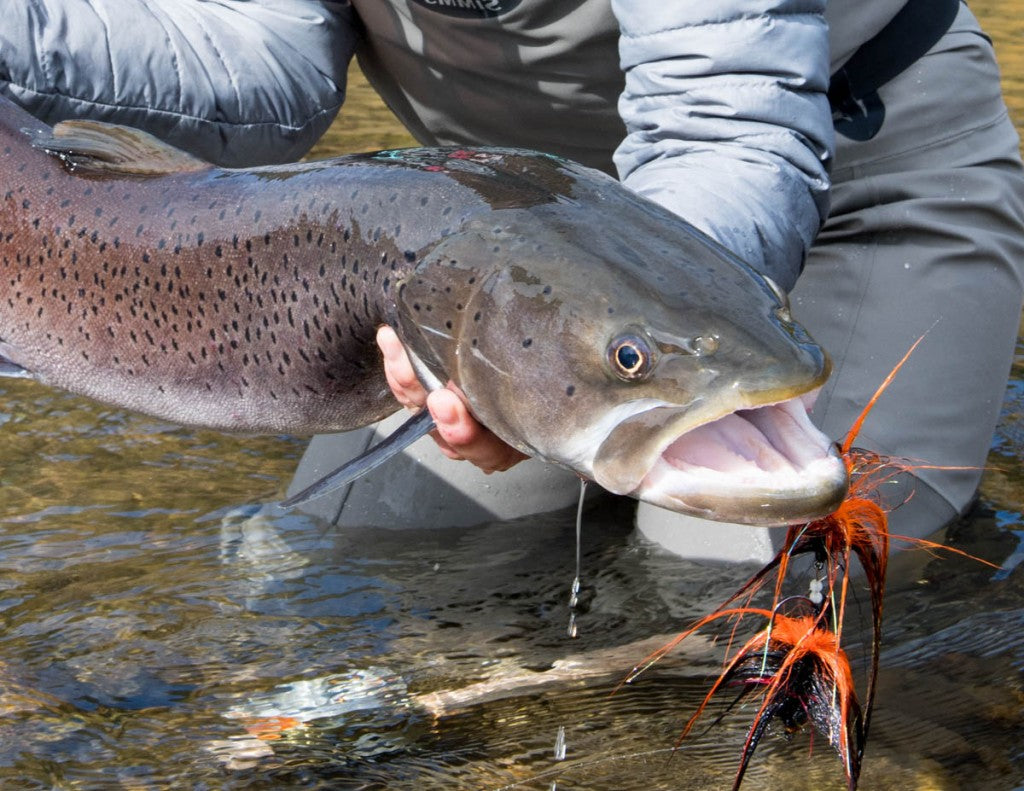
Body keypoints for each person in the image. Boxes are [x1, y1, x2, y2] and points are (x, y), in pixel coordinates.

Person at [2, 0, 1022, 562]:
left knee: (766, 600)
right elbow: (259, 65)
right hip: (497, 253)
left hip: (854, 188)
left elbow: (728, 125)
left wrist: (612, 335)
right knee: (351, 562)